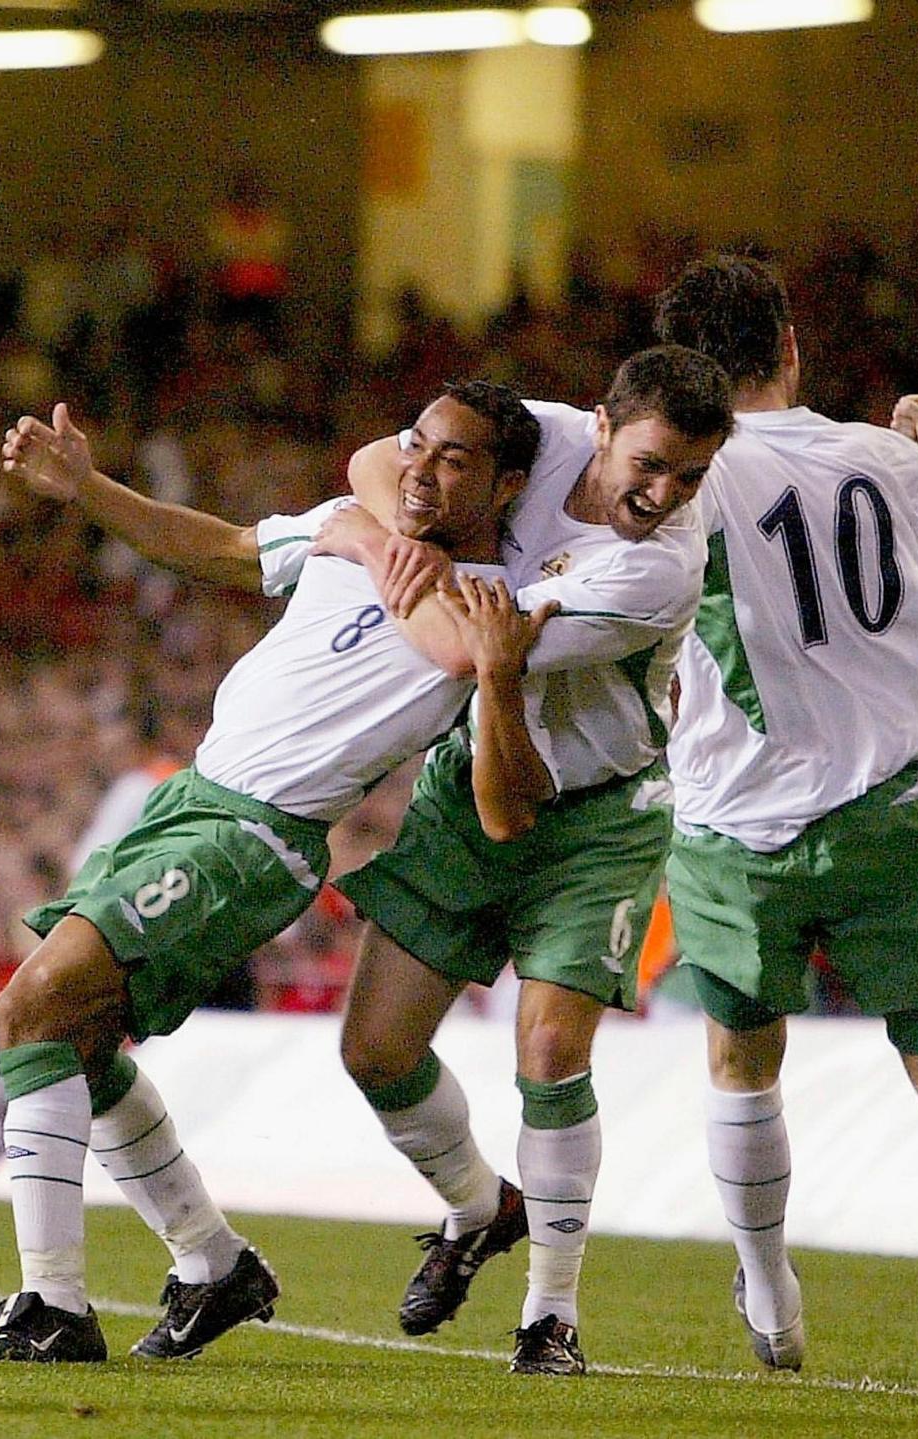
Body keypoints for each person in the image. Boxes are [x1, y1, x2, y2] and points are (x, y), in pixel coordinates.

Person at [0, 384, 555, 1363]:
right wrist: (87, 488)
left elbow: (458, 658)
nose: (419, 467)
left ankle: (52, 1306)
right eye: (417, 445)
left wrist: (372, 541)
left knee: (30, 1008)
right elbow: (218, 548)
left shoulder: (488, 604)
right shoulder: (345, 525)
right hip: (187, 801)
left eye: (455, 459)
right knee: (74, 1038)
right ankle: (210, 1260)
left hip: (259, 834)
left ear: (509, 484)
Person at [652, 253, 918, 1377]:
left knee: (742, 1059)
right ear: (789, 346)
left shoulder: (692, 471)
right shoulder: (885, 458)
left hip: (738, 823)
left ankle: (772, 1295)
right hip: (898, 806)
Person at [320, 346, 734, 1376]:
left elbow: (473, 650)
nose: (662, 493)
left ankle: (549, 1314)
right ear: (597, 425)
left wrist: (373, 544)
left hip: (593, 812)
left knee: (548, 1052)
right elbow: (381, 459)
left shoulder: (658, 567)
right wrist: (381, 525)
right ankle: (477, 1207)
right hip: (469, 785)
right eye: (649, 463)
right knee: (374, 1051)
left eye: (689, 477)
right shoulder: (535, 435)